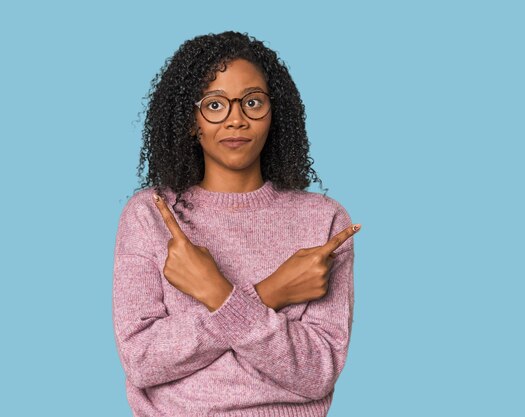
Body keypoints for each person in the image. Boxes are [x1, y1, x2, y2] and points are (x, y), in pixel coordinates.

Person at [112, 31, 361, 417]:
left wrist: (216, 295)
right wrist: (270, 293)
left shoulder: (323, 221)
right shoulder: (151, 214)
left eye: (252, 102)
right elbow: (143, 361)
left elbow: (317, 373)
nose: (236, 119)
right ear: (190, 118)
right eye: (214, 104)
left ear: (274, 112)